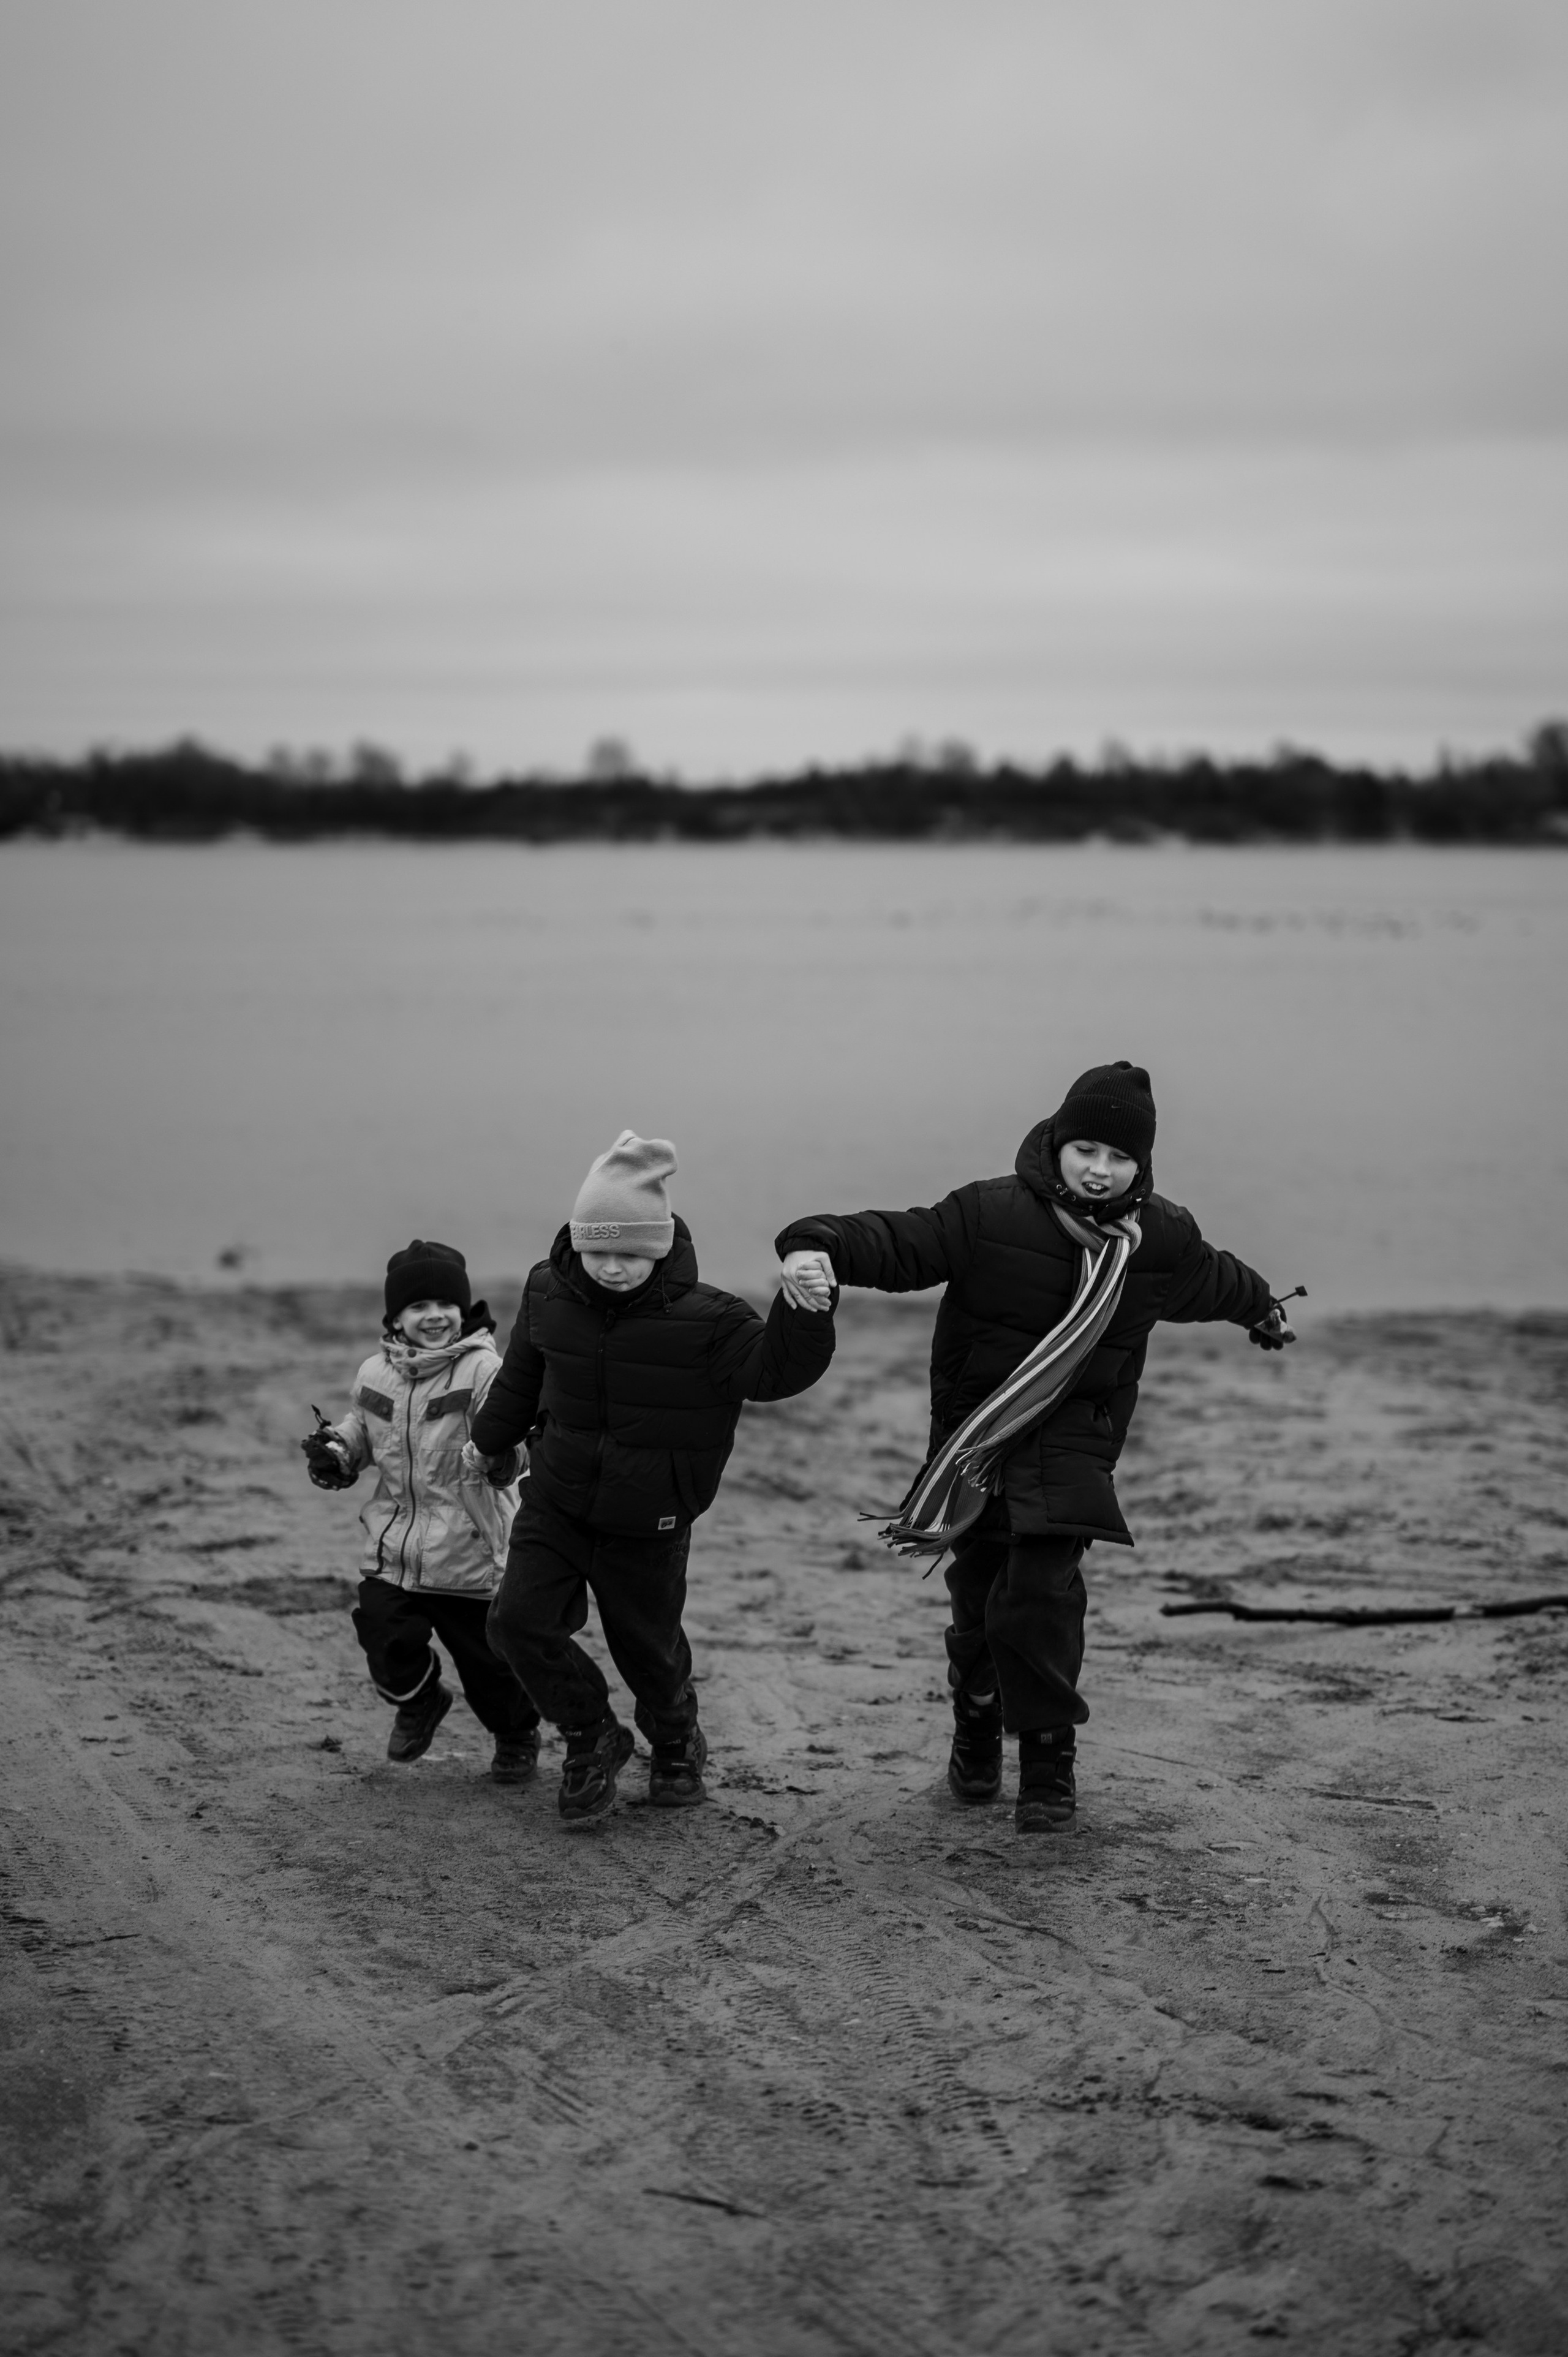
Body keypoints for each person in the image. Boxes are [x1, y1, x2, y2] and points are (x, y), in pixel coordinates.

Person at [775, 1062, 1295, 1835]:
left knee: (1043, 1597)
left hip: (1073, 1447)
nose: (1099, 1169)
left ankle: (1049, 1763)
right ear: (1056, 1141)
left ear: (1140, 1165)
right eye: (1086, 1148)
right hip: (977, 1440)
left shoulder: (1158, 1239)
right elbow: (898, 1241)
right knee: (979, 1599)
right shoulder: (988, 1213)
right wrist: (814, 1245)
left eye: (1118, 1157)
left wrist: (1263, 1309)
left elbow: (1214, 1278)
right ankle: (977, 1717)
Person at [469, 1131, 835, 1828]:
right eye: (598, 1251)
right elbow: (522, 1374)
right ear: (575, 1242)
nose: (612, 1268)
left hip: (651, 1514)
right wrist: (489, 1441)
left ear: (661, 1247)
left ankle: (675, 1743)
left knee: (649, 1648)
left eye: (631, 1254)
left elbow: (778, 1373)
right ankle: (590, 1735)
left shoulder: (711, 1319)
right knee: (516, 1623)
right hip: (557, 1496)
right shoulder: (548, 1291)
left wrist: (805, 1310)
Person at [301, 1239, 539, 1781]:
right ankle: (420, 1700)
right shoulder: (374, 1374)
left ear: (463, 1310)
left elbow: (512, 1436)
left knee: (489, 1666)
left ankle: (516, 1734)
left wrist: (503, 1458)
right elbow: (364, 1430)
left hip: (467, 1550)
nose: (434, 1317)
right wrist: (339, 1451)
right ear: (396, 1318)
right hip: (395, 1546)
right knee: (383, 1632)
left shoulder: (483, 1370)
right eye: (418, 1308)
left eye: (445, 1306)